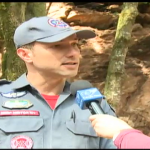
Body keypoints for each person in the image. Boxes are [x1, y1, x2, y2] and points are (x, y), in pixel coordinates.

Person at [0, 16, 117, 149]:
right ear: (26, 54)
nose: (73, 53)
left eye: (75, 44)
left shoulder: (95, 104)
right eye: (57, 46)